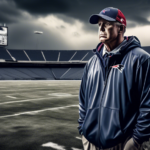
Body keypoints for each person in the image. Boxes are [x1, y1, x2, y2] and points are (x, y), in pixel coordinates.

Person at [78, 7, 150, 150]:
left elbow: (148, 105)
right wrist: (83, 131)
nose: (101, 28)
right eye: (99, 25)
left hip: (123, 144)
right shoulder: (92, 63)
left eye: (107, 23)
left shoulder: (141, 60)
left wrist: (136, 141)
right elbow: (83, 101)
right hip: (91, 142)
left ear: (121, 28)